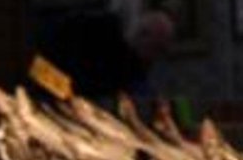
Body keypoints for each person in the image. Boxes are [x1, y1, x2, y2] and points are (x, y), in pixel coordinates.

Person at [44, 8, 176, 103]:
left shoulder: (134, 68)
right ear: (143, 35)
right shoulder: (101, 34)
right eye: (157, 48)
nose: (157, 58)